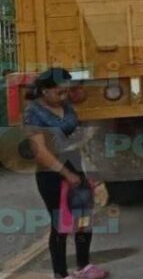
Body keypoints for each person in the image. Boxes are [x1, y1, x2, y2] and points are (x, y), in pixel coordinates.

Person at [23, 67, 109, 279]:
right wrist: (65, 174)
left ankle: (84, 266)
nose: (64, 96)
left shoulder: (65, 105)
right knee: (60, 224)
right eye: (59, 93)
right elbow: (40, 152)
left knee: (83, 220)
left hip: (75, 167)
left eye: (66, 92)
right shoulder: (33, 112)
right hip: (51, 173)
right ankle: (61, 274)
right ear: (45, 91)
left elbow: (77, 130)